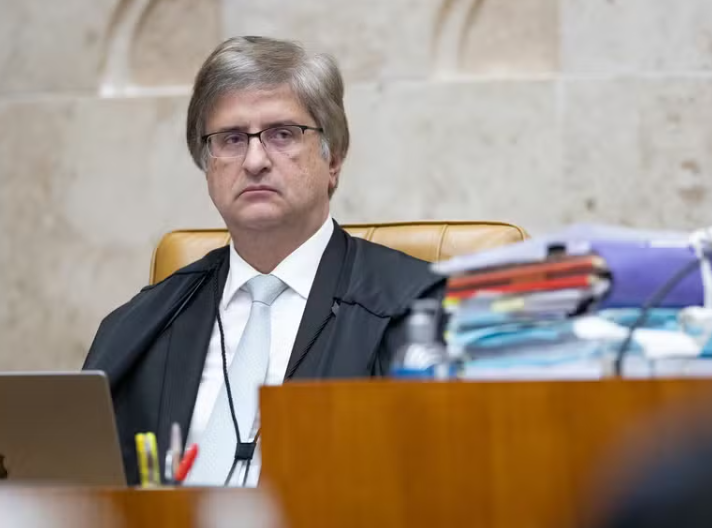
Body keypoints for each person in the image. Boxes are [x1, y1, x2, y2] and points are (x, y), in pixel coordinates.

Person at [83, 36, 445, 487]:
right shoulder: (143, 324)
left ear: (333, 159)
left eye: (282, 134)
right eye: (231, 139)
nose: (255, 161)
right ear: (208, 166)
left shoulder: (418, 310)